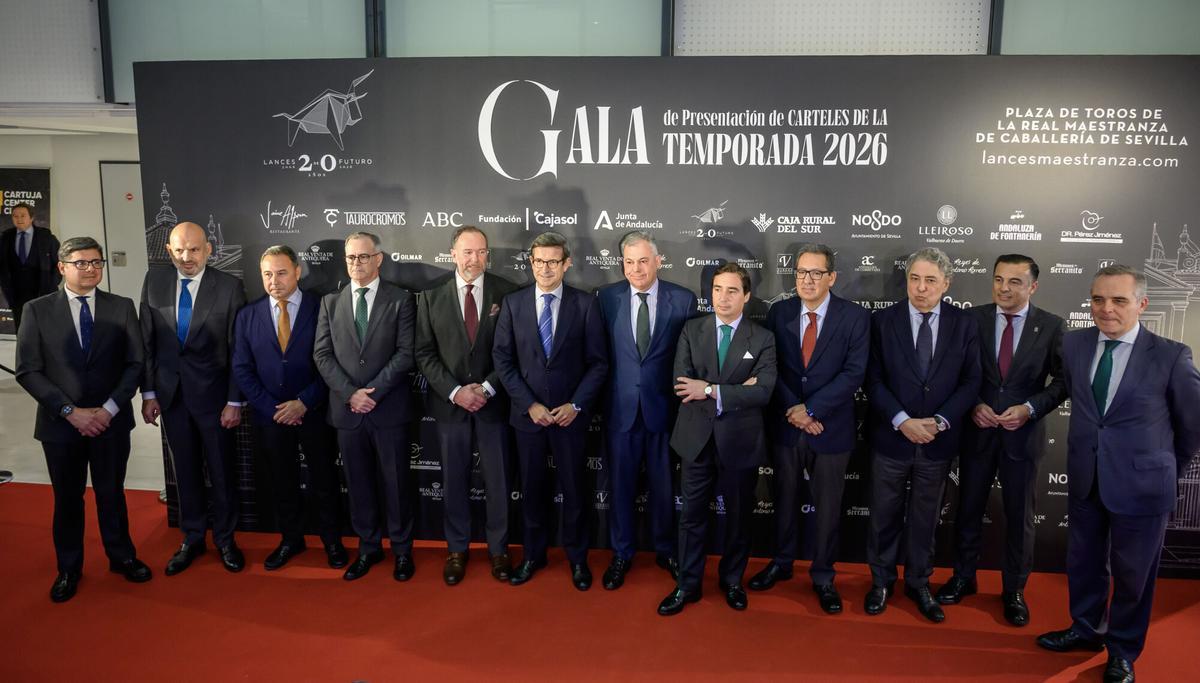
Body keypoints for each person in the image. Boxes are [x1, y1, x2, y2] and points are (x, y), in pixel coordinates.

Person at [1037, 265, 1200, 683]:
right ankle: (1086, 629)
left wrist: (1166, 467)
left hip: (1144, 485)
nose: (1106, 309)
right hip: (1087, 477)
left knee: (1133, 575)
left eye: (1118, 300)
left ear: (1141, 304)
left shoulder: (1171, 355)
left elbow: (1192, 426)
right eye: (1098, 299)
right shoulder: (1073, 345)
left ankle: (1123, 650)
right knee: (1085, 563)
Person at [15, 236, 150, 602]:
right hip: (61, 427)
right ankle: (69, 567)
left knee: (111, 494)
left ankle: (122, 557)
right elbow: (28, 370)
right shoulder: (37, 310)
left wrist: (108, 409)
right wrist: (70, 412)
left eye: (97, 262)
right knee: (68, 499)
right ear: (62, 267)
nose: (91, 269)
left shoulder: (121, 308)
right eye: (82, 263)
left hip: (110, 422)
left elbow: (135, 363)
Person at [937, 254, 1067, 626]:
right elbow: (955, 372)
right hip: (976, 432)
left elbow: (1061, 384)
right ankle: (963, 577)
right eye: (998, 280)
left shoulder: (1053, 326)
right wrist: (973, 404)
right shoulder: (970, 319)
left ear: (1033, 286)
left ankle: (1014, 589)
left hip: (1022, 436)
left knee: (1020, 517)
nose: (1004, 289)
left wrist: (1029, 408)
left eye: (1014, 282)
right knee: (968, 510)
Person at [750, 243, 869, 615]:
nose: (807, 280)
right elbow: (773, 369)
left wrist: (812, 409)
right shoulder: (779, 312)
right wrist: (794, 409)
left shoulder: (855, 317)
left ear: (832, 277)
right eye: (801, 272)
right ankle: (782, 563)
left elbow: (854, 373)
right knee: (783, 499)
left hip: (829, 428)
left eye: (816, 273)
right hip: (788, 424)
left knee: (829, 507)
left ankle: (823, 576)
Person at [864, 247, 981, 623]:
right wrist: (901, 419)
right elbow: (873, 379)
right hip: (891, 436)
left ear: (946, 283)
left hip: (938, 439)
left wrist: (940, 421)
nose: (921, 287)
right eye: (914, 278)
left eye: (930, 280)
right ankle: (881, 582)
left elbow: (971, 381)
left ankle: (918, 582)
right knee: (883, 514)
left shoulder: (964, 325)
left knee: (925, 518)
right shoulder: (882, 321)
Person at [658, 263, 776, 616]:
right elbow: (682, 384)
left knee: (739, 518)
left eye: (732, 291)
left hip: (740, 442)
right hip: (696, 439)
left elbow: (765, 391)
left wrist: (709, 388)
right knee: (691, 517)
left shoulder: (763, 337)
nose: (723, 298)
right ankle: (688, 585)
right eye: (717, 290)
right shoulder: (691, 330)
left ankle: (733, 581)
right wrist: (739, 389)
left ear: (747, 296)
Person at [492, 231, 608, 590]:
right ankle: (533, 555)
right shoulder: (513, 304)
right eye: (539, 261)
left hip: (570, 418)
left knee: (575, 491)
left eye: (553, 261)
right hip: (529, 418)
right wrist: (530, 405)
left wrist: (575, 405)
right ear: (531, 262)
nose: (545, 268)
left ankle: (577, 559)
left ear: (566, 263)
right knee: (532, 490)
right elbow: (503, 360)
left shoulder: (586, 304)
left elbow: (599, 363)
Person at [232, 245, 347, 571]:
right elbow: (242, 368)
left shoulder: (322, 307)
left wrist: (304, 402)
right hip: (271, 417)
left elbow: (333, 362)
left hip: (314, 413)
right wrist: (273, 408)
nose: (274, 280)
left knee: (324, 480)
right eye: (267, 274)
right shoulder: (248, 315)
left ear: (297, 272)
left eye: (281, 272)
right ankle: (291, 539)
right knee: (282, 481)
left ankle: (332, 541)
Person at [140, 222, 246, 575]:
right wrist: (150, 393)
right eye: (180, 250)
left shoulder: (230, 287)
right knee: (183, 471)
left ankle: (227, 539)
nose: (187, 257)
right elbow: (148, 343)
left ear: (208, 250)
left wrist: (235, 400)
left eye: (194, 250)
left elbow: (238, 352)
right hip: (171, 398)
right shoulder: (153, 281)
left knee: (221, 471)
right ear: (169, 251)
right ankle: (193, 537)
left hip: (216, 400)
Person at [415, 226, 518, 585]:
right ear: (453, 254)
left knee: (498, 480)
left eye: (481, 252)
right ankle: (456, 549)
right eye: (468, 252)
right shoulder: (430, 297)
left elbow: (513, 352)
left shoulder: (508, 293)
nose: (475, 259)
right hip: (450, 406)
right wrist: (456, 391)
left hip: (494, 405)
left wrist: (487, 388)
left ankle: (498, 550)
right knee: (453, 479)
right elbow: (424, 354)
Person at [314, 231, 418, 582]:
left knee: (397, 484)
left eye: (362, 257)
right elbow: (322, 354)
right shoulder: (330, 302)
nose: (356, 264)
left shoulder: (401, 300)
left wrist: (372, 393)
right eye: (350, 258)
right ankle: (368, 548)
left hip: (388, 410)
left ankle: (403, 551)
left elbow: (406, 354)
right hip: (348, 412)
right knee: (358, 486)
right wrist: (350, 394)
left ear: (379, 259)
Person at [596, 231, 696, 590]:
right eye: (629, 261)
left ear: (658, 260)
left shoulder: (683, 299)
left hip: (665, 413)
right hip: (620, 412)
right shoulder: (606, 298)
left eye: (643, 261)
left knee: (664, 485)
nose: (636, 269)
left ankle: (666, 549)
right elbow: (600, 356)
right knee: (620, 487)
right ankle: (622, 554)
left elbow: (690, 358)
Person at [1, 203, 61, 331]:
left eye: (23, 215)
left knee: (45, 330)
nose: (19, 219)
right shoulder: (5, 238)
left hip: (43, 292)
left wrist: (52, 283)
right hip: (16, 295)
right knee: (22, 331)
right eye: (15, 216)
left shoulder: (46, 237)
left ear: (32, 217)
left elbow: (60, 263)